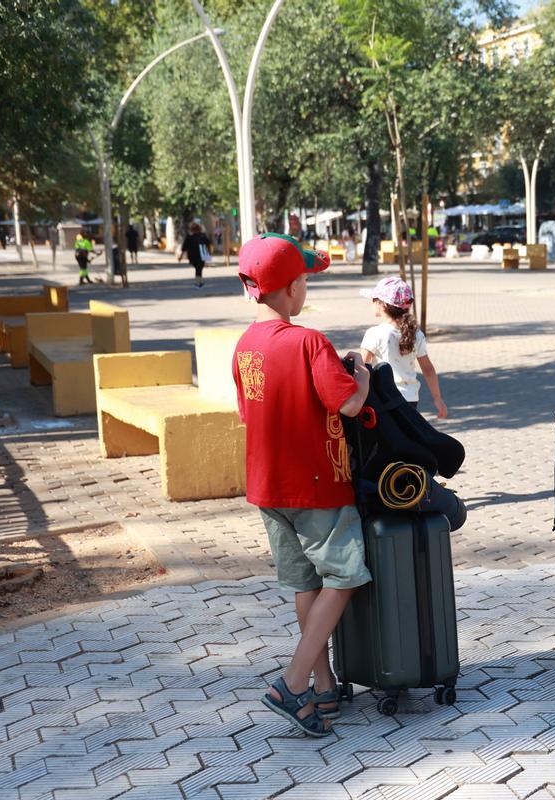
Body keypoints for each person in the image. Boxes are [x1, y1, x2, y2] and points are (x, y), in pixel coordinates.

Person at [232, 233, 371, 737]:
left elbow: (250, 411)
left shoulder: (244, 347)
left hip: (269, 489)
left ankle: (324, 686)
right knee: (345, 575)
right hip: (317, 486)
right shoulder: (310, 341)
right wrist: (364, 377)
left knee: (304, 582)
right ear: (292, 289)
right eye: (305, 280)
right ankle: (293, 683)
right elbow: (349, 404)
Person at [358, 276, 447, 418]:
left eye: (374, 299)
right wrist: (437, 399)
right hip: (410, 398)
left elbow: (362, 369)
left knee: (387, 439)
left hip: (384, 398)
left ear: (383, 304)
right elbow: (428, 369)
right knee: (407, 438)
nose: (372, 303)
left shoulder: (374, 333)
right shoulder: (416, 334)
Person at [178, 222, 212, 287]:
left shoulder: (189, 237)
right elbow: (208, 244)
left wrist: (180, 257)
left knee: (198, 268)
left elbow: (184, 248)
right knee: (199, 268)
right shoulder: (203, 236)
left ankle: (198, 282)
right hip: (202, 255)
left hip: (193, 256)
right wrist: (209, 253)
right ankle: (199, 282)